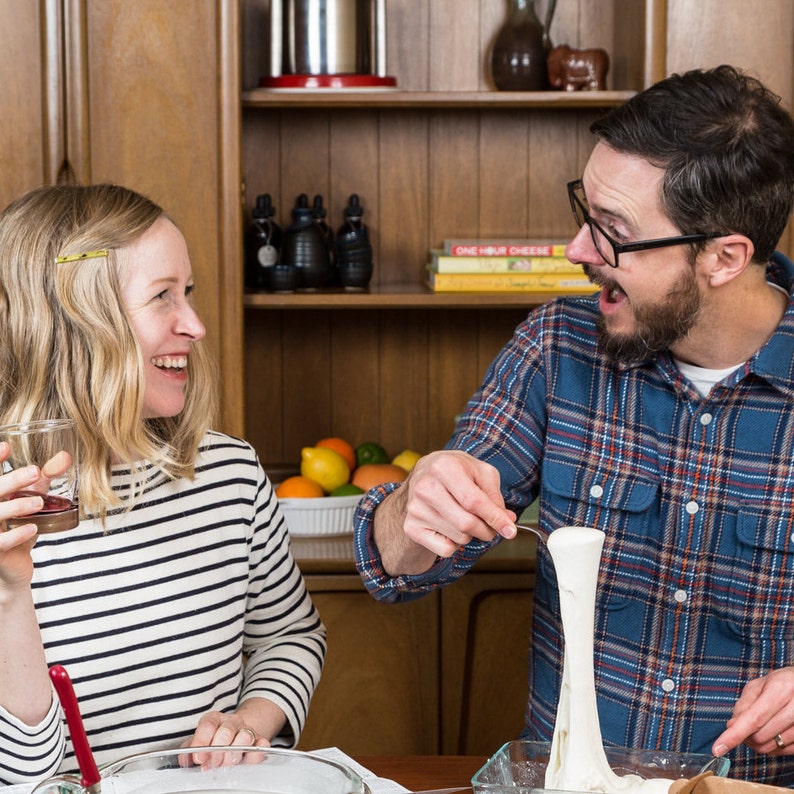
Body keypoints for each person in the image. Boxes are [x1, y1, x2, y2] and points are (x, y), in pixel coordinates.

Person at [353, 65, 794, 785]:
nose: (577, 251)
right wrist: (415, 506)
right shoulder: (557, 349)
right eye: (585, 212)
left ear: (724, 257)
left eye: (613, 232)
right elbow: (396, 569)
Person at [0, 184, 326, 784]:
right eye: (162, 297)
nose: (197, 326)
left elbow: (291, 635)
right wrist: (9, 598)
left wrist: (254, 718)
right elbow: (22, 779)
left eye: (189, 293)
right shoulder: (6, 518)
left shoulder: (229, 473)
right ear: (75, 323)